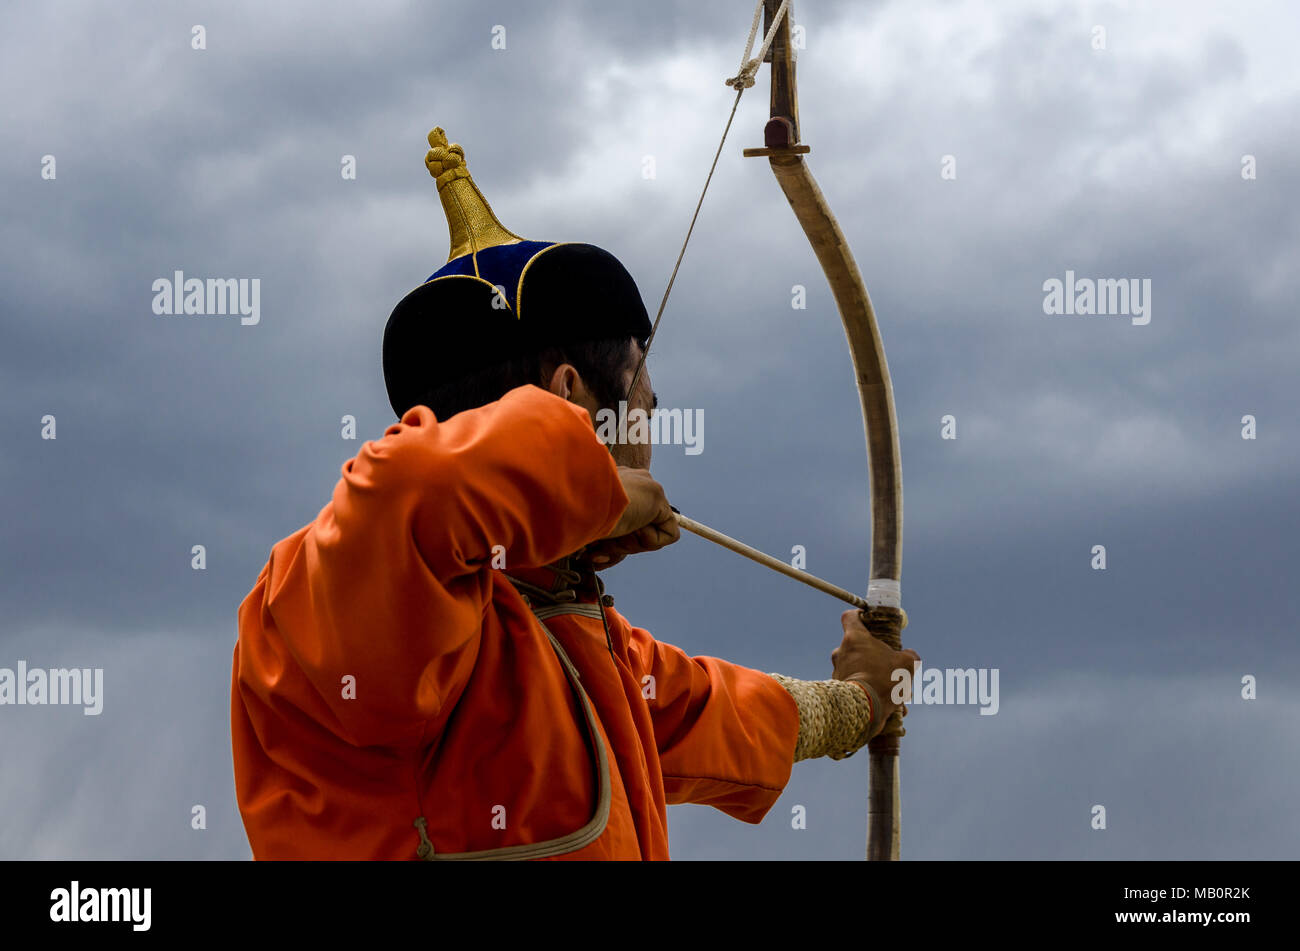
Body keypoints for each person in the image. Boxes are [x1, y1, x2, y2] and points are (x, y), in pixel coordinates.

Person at [229, 128, 919, 860]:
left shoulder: (573, 638)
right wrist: (594, 490)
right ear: (569, 398)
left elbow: (708, 711)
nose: (652, 438)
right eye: (646, 404)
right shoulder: (326, 596)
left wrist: (856, 705)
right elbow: (413, 486)